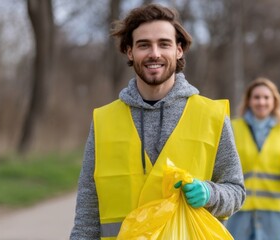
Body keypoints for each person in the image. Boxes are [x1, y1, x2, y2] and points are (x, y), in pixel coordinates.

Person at [70, 4, 245, 239]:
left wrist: (210, 193)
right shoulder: (104, 120)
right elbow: (88, 211)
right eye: (144, 45)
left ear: (179, 50)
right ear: (130, 52)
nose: (155, 53)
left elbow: (236, 191)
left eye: (164, 44)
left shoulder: (211, 115)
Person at [226, 77, 280, 240]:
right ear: (249, 101)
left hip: (275, 217)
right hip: (239, 214)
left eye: (266, 97)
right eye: (256, 97)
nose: (261, 102)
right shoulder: (233, 129)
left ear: (274, 101)